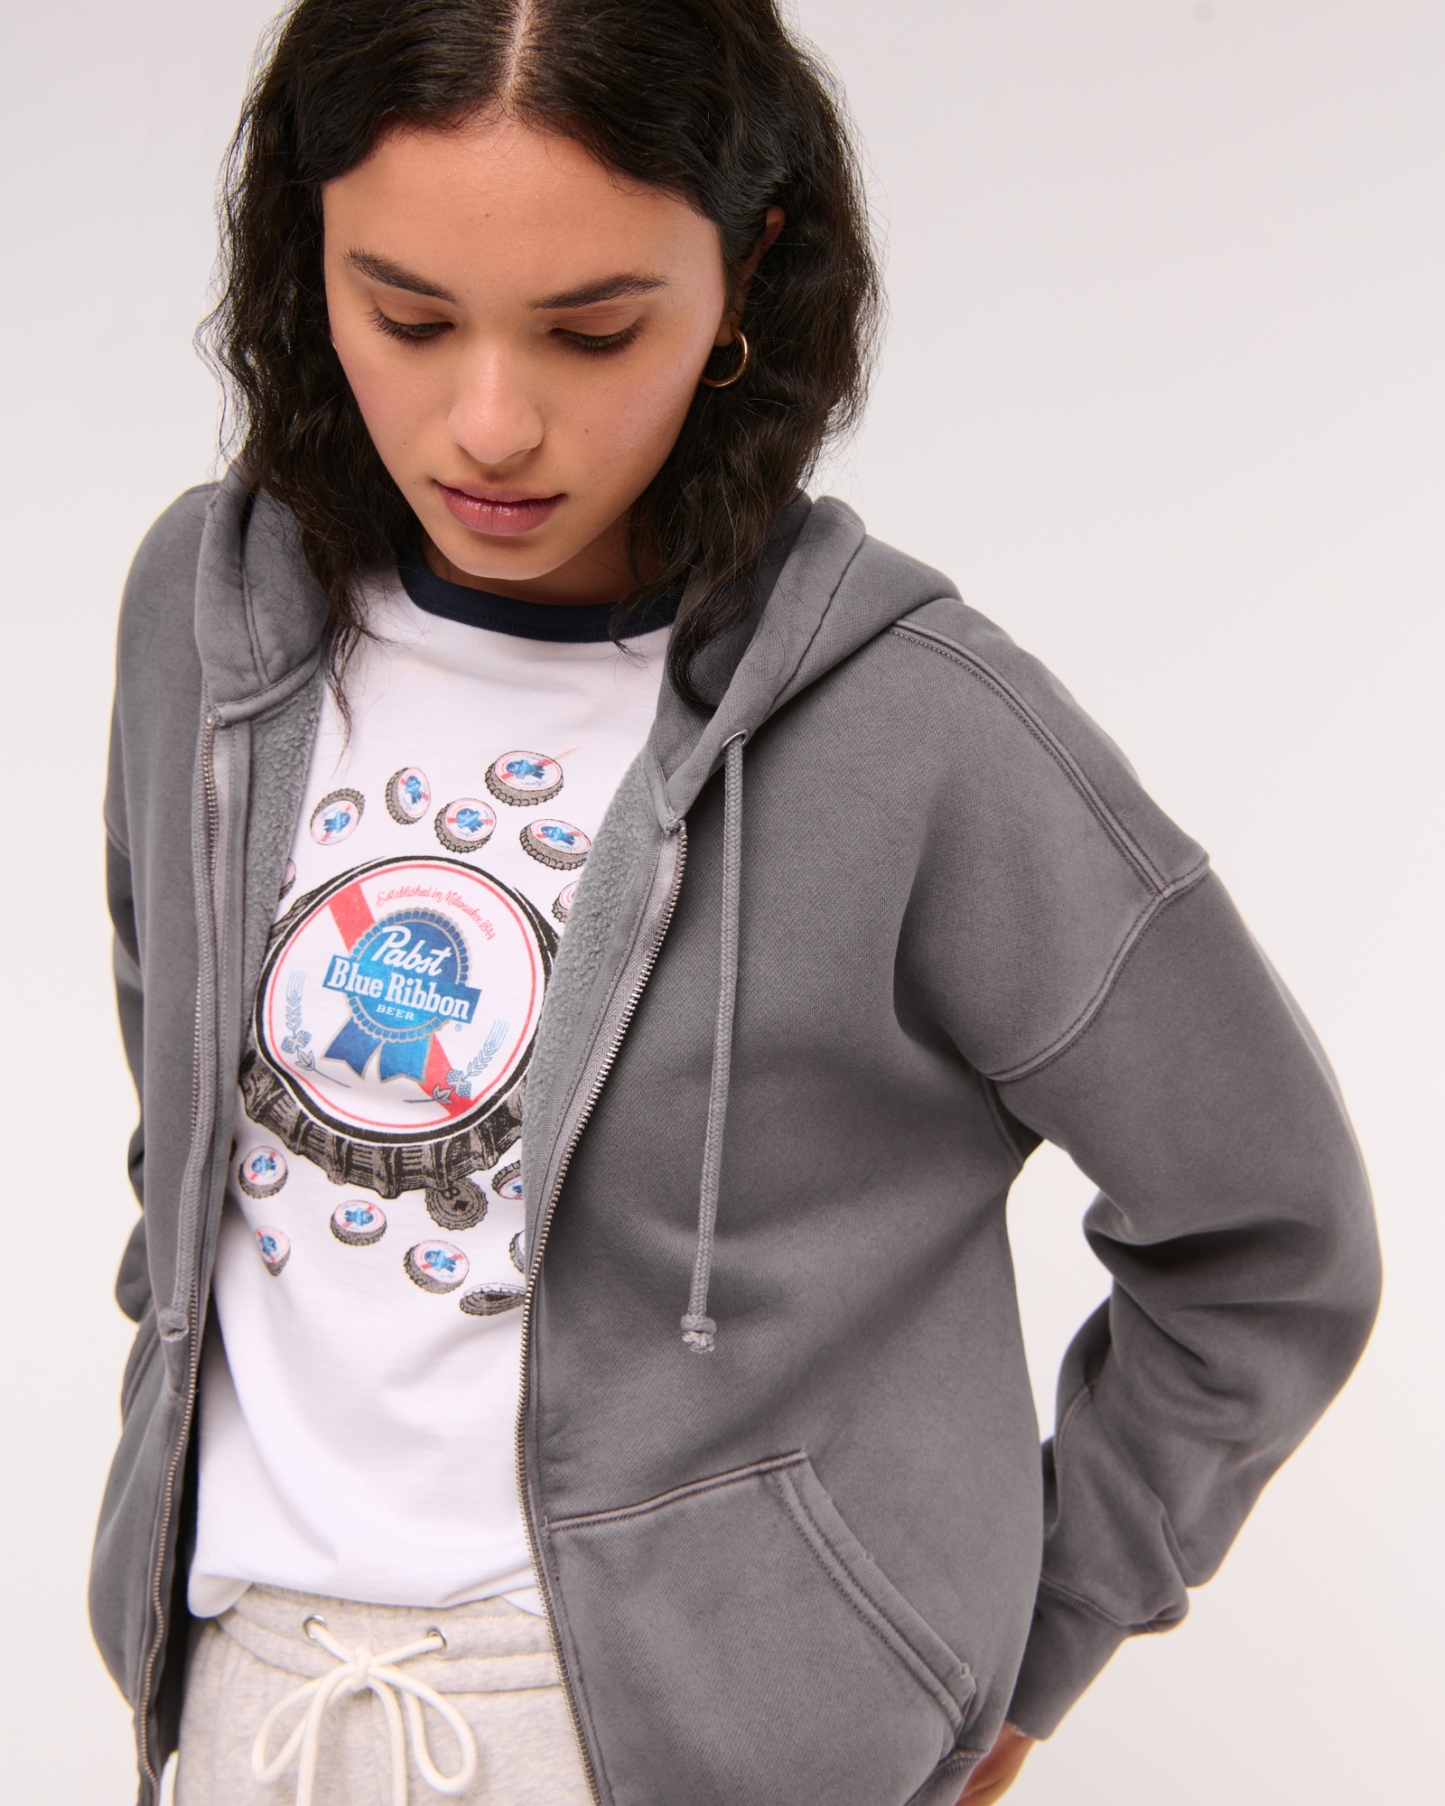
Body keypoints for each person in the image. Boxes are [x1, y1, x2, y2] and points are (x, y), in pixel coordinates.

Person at [91, 3, 1380, 1803]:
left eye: (591, 330)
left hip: (711, 1751)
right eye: (407, 316)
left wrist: (1019, 1655)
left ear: (745, 275)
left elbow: (1268, 1230)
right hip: (256, 1703)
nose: (489, 422)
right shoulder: (211, 616)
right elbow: (189, 1142)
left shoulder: (918, 727)